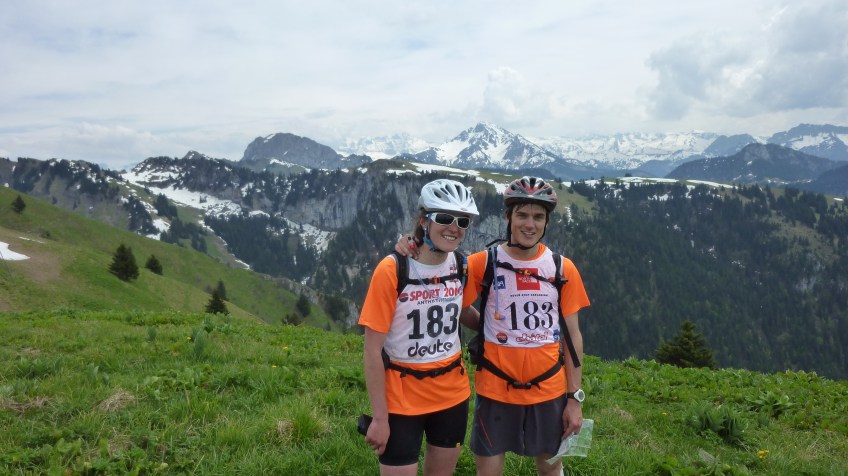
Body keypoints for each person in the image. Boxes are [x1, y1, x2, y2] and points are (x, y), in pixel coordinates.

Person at [396, 176, 590, 476]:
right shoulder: (482, 263)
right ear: (508, 218)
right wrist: (411, 242)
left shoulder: (562, 268)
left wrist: (574, 399)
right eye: (522, 215)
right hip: (495, 390)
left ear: (547, 222)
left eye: (538, 217)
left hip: (549, 389)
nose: (530, 224)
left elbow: (573, 337)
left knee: (551, 469)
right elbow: (451, 300)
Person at [359, 178, 479, 476]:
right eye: (445, 218)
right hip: (401, 399)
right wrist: (379, 418)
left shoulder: (462, 266)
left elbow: (462, 310)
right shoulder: (393, 269)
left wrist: (497, 330)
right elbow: (372, 351)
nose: (454, 228)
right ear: (424, 220)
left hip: (452, 395)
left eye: (462, 221)